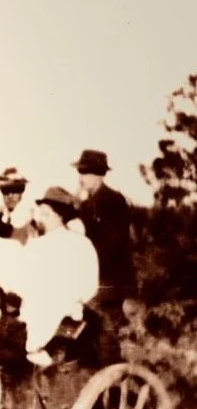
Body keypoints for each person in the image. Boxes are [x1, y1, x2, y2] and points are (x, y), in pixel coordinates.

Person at [17, 186, 100, 366]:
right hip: (36, 310)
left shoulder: (80, 244)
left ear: (59, 215)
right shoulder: (34, 246)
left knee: (49, 353)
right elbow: (22, 281)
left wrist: (71, 300)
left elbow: (89, 284)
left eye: (46, 214)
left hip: (63, 313)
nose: (42, 218)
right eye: (41, 213)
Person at [71, 149, 135, 364]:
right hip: (95, 276)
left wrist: (87, 268)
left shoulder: (113, 200)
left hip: (111, 279)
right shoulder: (87, 203)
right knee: (88, 323)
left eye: (86, 172)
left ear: (99, 174)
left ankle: (113, 373)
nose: (81, 177)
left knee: (102, 322)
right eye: (80, 172)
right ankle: (93, 368)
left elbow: (112, 244)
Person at [0, 167, 35, 243]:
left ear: (22, 191)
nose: (10, 195)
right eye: (5, 191)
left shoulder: (30, 215)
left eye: (15, 190)